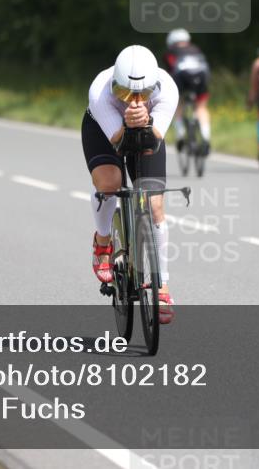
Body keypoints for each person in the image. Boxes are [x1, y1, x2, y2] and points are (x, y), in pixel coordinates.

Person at [81, 45, 178, 323]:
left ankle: (161, 284)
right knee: (110, 184)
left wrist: (145, 120)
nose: (134, 100)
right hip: (104, 131)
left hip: (148, 132)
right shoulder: (100, 91)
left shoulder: (168, 90)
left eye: (143, 94)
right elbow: (118, 141)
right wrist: (128, 122)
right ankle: (103, 241)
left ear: (154, 86)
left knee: (155, 204)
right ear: (115, 84)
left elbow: (152, 139)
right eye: (125, 93)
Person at [163, 28, 211, 155]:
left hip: (181, 77)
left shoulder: (171, 52)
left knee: (178, 104)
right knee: (201, 107)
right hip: (201, 76)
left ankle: (180, 134)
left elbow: (170, 72)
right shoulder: (196, 49)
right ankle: (206, 137)